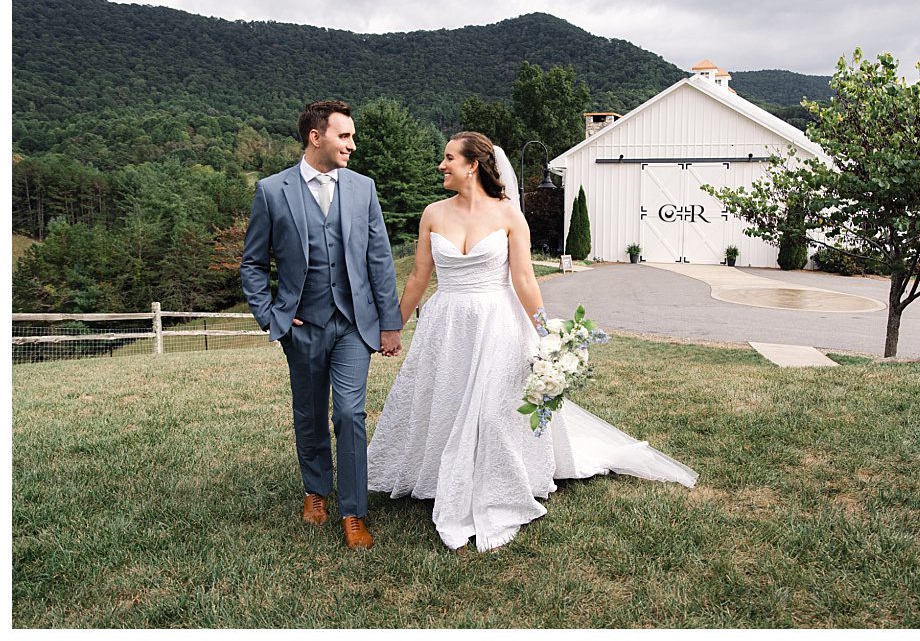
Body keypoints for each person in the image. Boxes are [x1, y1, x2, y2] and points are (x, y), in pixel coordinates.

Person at [366, 131, 696, 553]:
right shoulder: (433, 213)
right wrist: (392, 326)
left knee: (494, 409)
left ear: (472, 165)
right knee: (446, 399)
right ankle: (439, 475)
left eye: (448, 158)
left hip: (498, 323)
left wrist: (547, 335)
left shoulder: (508, 216)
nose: (441, 166)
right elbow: (418, 276)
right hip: (446, 323)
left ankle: (494, 483)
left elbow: (524, 280)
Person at [241, 99, 404, 549]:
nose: (352, 144)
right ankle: (316, 491)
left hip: (354, 323)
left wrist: (389, 323)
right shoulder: (273, 191)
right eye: (345, 136)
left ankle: (354, 512)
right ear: (317, 137)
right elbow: (253, 264)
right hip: (302, 324)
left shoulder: (363, 188)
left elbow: (379, 259)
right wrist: (271, 314)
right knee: (310, 413)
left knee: (350, 413)